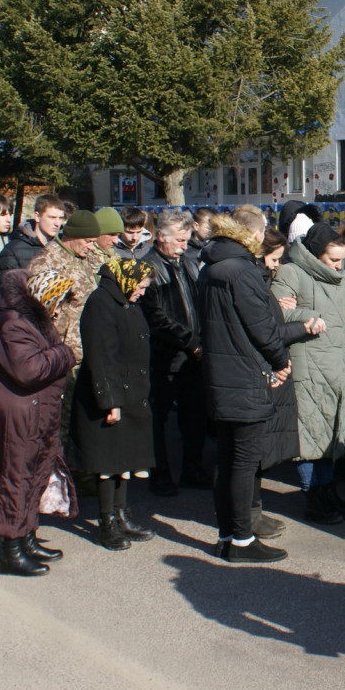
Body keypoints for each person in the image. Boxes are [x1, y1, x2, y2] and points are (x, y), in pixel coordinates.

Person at [0, 270, 77, 576]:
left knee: (35, 474)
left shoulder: (30, 321)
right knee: (15, 478)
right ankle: (11, 550)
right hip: (15, 415)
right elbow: (29, 370)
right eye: (56, 302)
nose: (59, 310)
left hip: (32, 413)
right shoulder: (10, 323)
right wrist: (64, 352)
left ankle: (26, 536)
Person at [197, 211, 290, 563]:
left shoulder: (211, 267)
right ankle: (241, 541)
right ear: (253, 235)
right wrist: (280, 361)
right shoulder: (242, 271)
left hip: (220, 374)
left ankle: (227, 535)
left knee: (227, 459)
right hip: (244, 375)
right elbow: (263, 329)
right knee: (243, 463)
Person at [273, 222, 345, 524]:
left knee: (330, 434)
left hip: (337, 364)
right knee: (310, 434)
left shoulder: (340, 278)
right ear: (316, 255)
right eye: (333, 260)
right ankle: (313, 495)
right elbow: (273, 312)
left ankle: (328, 490)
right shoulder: (290, 272)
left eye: (341, 260)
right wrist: (307, 315)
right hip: (308, 364)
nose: (340, 266)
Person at [72, 258, 159, 550]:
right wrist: (110, 401)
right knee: (108, 463)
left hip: (130, 392)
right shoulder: (101, 303)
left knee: (126, 459)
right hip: (111, 396)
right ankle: (107, 522)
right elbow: (101, 356)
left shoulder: (125, 300)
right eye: (141, 287)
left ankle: (122, 515)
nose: (143, 293)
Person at [139, 210, 207, 496]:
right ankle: (161, 474)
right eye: (179, 240)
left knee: (195, 417)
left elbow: (199, 304)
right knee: (158, 419)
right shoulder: (148, 268)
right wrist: (191, 341)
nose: (184, 245)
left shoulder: (188, 264)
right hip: (164, 358)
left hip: (193, 357)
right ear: (160, 237)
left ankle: (192, 469)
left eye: (187, 239)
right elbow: (155, 318)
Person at [255, 228, 319, 534]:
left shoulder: (264, 277)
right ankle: (246, 517)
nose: (276, 265)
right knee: (249, 451)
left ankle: (252, 510)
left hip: (269, 363)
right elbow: (263, 328)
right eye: (274, 258)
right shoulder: (250, 279)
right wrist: (293, 321)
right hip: (258, 368)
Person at [28, 209, 102, 360]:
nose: (91, 247)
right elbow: (38, 314)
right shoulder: (47, 262)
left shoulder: (84, 257)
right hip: (64, 351)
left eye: (93, 242)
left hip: (89, 345)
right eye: (87, 241)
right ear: (72, 236)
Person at [0, 194, 66, 274]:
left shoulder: (64, 248)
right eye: (52, 217)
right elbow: (8, 283)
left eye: (60, 218)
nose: (57, 223)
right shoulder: (14, 249)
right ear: (37, 216)